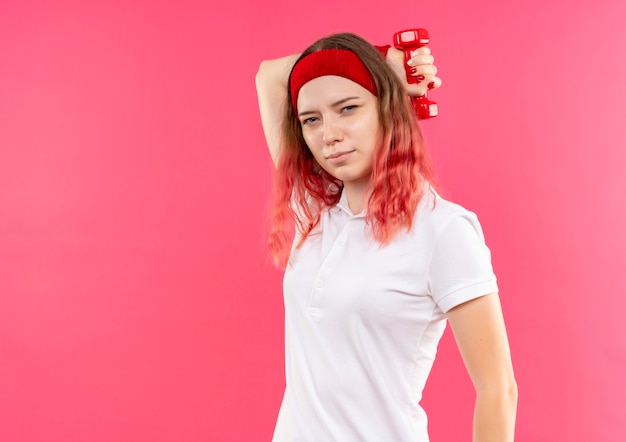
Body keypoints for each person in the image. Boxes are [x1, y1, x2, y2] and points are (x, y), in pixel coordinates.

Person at [255, 32, 517, 441]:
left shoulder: (442, 230)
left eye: (348, 108)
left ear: (389, 109)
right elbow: (269, 76)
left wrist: (379, 71)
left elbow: (498, 389)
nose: (329, 133)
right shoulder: (314, 211)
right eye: (312, 119)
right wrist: (385, 58)